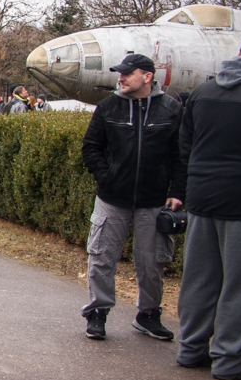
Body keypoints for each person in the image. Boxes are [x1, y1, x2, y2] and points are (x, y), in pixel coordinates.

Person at [79, 53, 184, 341]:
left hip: (154, 200)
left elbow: (181, 156)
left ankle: (148, 315)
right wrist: (106, 176)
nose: (121, 78)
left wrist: (177, 192)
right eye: (120, 73)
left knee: (152, 262)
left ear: (147, 77)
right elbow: (91, 147)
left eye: (127, 73)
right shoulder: (108, 107)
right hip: (112, 198)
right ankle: (98, 312)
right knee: (102, 257)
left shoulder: (172, 110)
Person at [175, 36, 241, 380]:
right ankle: (230, 359)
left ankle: (191, 348)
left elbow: (185, 145)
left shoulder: (203, 92)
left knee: (200, 278)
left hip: (201, 196)